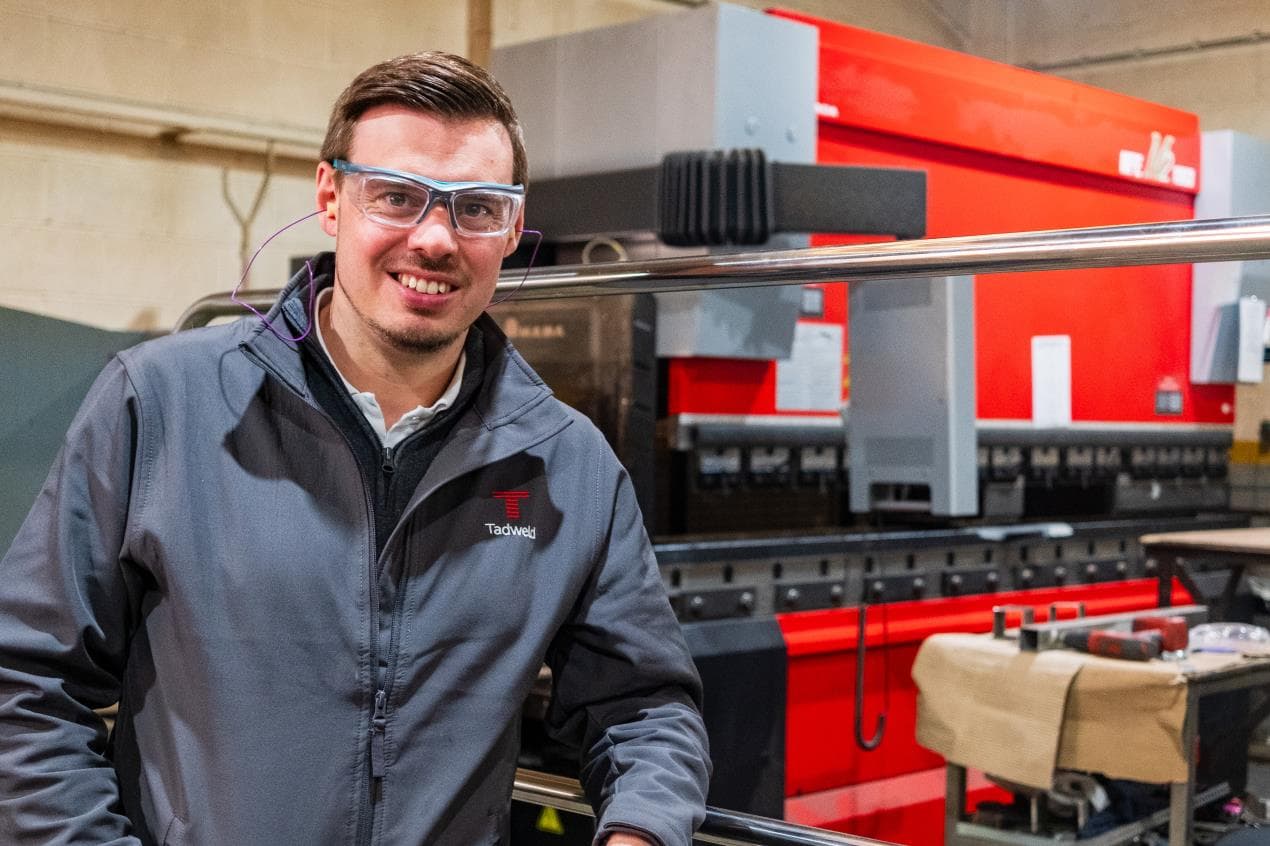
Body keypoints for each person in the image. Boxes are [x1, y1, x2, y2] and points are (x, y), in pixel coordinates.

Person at [0, 52, 709, 845]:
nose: (435, 239)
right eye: (397, 197)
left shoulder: (567, 463)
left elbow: (643, 708)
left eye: (476, 207)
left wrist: (641, 831)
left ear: (511, 228)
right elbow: (27, 683)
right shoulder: (160, 403)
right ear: (331, 199)